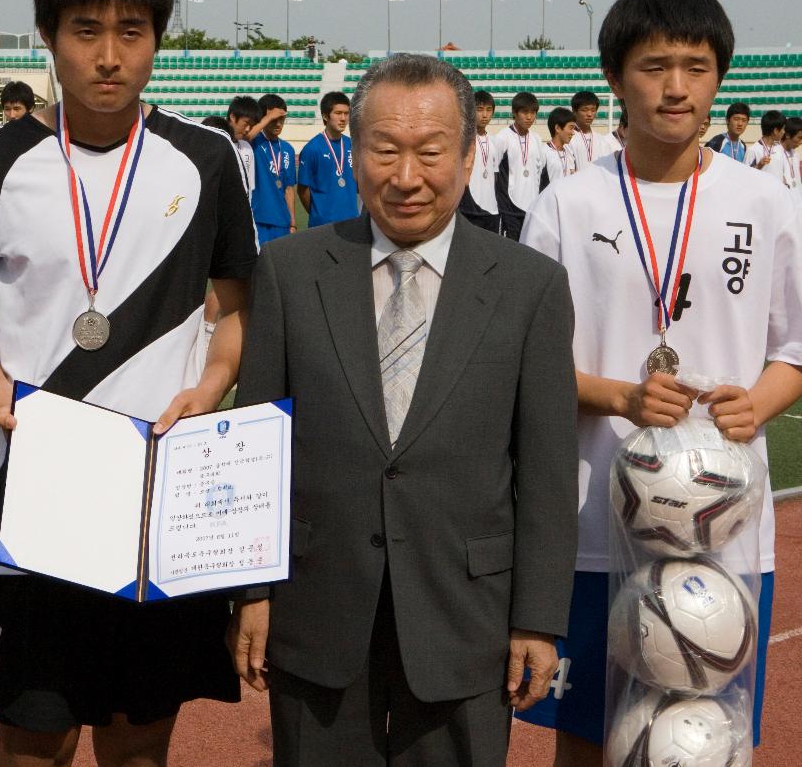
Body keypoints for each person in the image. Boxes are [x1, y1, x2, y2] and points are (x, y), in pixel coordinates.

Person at [0, 0, 257, 767]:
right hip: (39, 508)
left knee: (140, 744)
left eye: (131, 32)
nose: (109, 55)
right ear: (48, 37)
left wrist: (212, 382)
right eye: (85, 31)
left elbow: (241, 308)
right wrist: (4, 398)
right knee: (31, 741)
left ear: (157, 40)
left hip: (163, 502)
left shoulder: (208, 160)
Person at [229, 53, 578, 766]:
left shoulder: (529, 287)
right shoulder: (291, 274)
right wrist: (252, 592)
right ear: (354, 153)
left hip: (466, 619)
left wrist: (538, 620)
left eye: (430, 151)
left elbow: (545, 471)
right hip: (317, 608)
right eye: (385, 150)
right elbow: (255, 446)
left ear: (470, 153)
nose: (407, 176)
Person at [518, 0, 802, 764]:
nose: (675, 88)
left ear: (720, 77)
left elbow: (795, 348)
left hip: (723, 521)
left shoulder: (767, 202)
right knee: (585, 740)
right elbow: (525, 359)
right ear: (614, 78)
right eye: (653, 66)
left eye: (696, 66)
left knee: (707, 735)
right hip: (591, 520)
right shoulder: (567, 206)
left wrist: (761, 405)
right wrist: (619, 397)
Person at [297, 91, 359, 227]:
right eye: (338, 113)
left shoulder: (353, 145)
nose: (343, 118)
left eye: (346, 113)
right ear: (325, 116)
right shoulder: (312, 148)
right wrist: (317, 213)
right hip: (323, 224)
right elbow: (302, 189)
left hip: (352, 222)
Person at [494, 90, 547, 238]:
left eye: (533, 112)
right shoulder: (502, 138)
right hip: (509, 207)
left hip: (531, 207)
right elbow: (494, 172)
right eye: (525, 112)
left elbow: (539, 172)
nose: (529, 117)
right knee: (511, 249)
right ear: (514, 113)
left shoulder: (536, 139)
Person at [250, 92, 297, 243]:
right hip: (258, 219)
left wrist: (293, 222)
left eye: (281, 119)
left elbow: (288, 189)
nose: (278, 124)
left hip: (282, 222)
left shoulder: (287, 149)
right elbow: (244, 137)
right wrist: (266, 118)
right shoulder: (253, 143)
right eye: (274, 119)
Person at [459, 89, 502, 233]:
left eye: (489, 110)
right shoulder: (463, 140)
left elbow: (495, 176)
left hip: (492, 209)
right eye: (480, 109)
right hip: (469, 207)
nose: (485, 115)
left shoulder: (495, 142)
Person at [568, 90, 618, 171]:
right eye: (584, 110)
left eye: (593, 110)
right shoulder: (569, 139)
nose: (590, 114)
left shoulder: (601, 140)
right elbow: (569, 170)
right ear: (574, 111)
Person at [226, 95, 261, 197]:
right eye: (246, 123)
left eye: (251, 126)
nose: (247, 129)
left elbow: (250, 187)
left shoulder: (247, 148)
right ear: (232, 117)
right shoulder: (217, 143)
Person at [764, 116, 801, 198]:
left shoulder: (795, 154)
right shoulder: (775, 153)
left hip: (797, 203)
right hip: (784, 203)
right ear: (787, 135)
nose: (801, 142)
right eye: (799, 138)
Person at [543, 106, 578, 184]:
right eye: (571, 128)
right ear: (558, 128)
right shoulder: (544, 152)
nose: (573, 132)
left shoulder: (569, 151)